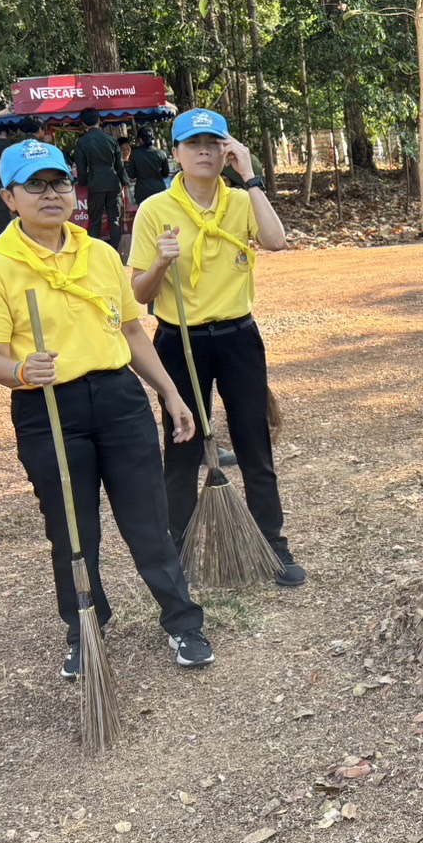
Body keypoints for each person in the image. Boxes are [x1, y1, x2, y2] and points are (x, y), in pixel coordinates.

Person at [0, 140, 216, 675]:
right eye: (34, 185)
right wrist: (21, 371)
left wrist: (170, 393)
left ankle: (183, 620)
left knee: (148, 519)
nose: (50, 194)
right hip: (48, 408)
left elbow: (132, 331)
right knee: (73, 530)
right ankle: (85, 627)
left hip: (119, 400)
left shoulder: (100, 254)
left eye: (58, 182)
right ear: (9, 197)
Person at [128, 108, 306, 587]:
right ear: (176, 153)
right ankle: (180, 550)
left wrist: (250, 176)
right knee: (182, 445)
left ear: (227, 150)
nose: (204, 152)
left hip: (238, 337)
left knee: (254, 442)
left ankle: (273, 544)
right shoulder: (155, 210)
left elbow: (276, 241)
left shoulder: (241, 200)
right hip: (179, 340)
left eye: (213, 143)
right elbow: (140, 295)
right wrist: (160, 264)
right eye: (193, 144)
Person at [73, 108, 128, 250]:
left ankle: (95, 250)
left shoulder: (82, 142)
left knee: (95, 220)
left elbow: (81, 168)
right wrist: (124, 183)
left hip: (95, 184)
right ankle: (115, 250)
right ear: (99, 120)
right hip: (113, 183)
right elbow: (120, 166)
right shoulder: (112, 140)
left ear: (84, 123)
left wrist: (83, 182)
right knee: (114, 219)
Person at [128, 128, 171, 203]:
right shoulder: (161, 153)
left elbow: (131, 175)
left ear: (140, 139)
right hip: (159, 190)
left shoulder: (135, 154)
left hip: (142, 192)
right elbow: (166, 174)